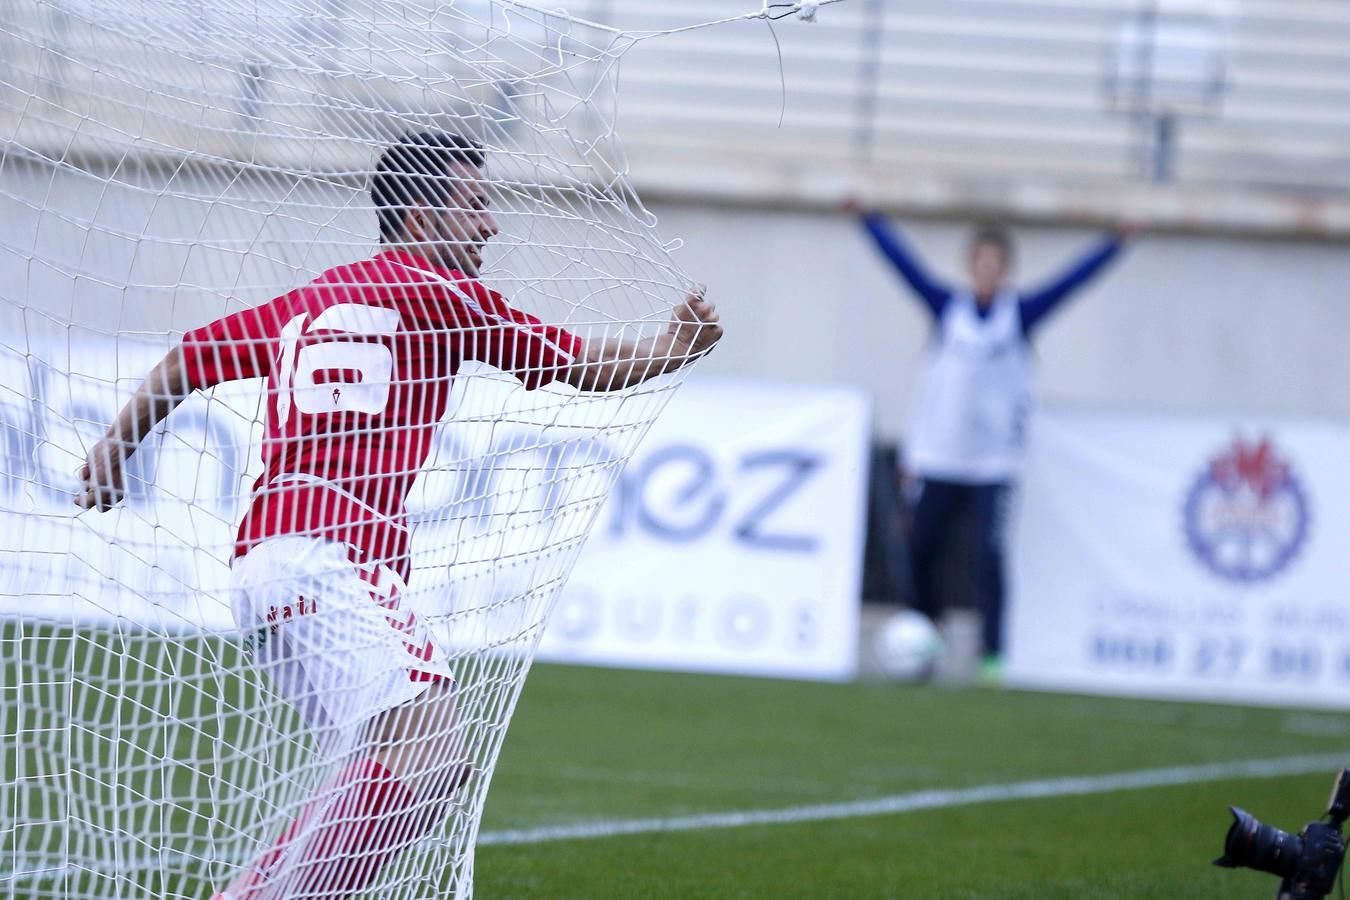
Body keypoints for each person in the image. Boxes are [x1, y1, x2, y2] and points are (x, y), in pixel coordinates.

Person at [74, 131, 722, 899]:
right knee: (433, 754)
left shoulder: (312, 299)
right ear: (421, 219)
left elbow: (185, 360)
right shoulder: (444, 295)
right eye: (474, 206)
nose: (489, 226)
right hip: (335, 559)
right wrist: (676, 345)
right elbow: (578, 366)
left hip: (264, 572)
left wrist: (114, 450)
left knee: (391, 768)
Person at [852, 204, 1132, 681]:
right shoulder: (947, 308)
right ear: (970, 266)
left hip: (992, 464)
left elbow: (1072, 282)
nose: (986, 273)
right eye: (980, 264)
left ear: (1005, 270)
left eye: (995, 265)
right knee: (920, 550)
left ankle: (993, 657)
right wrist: (868, 218)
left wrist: (1115, 241)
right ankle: (925, 641)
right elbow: (903, 266)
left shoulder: (1019, 315)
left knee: (988, 558)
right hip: (939, 458)